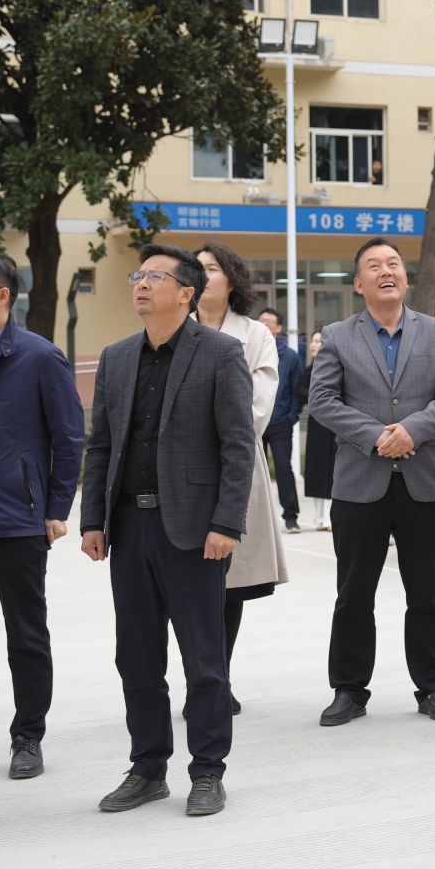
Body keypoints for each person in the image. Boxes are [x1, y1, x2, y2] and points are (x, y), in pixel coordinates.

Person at [79, 243, 253, 815]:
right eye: (139, 275)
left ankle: (208, 771)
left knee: (204, 660)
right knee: (136, 657)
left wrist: (227, 522)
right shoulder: (117, 357)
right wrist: (94, 519)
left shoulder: (221, 353)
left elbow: (237, 445)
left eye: (155, 277)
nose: (141, 284)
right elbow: (101, 445)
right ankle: (148, 768)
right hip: (130, 527)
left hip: (195, 531)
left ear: (186, 293)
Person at [308, 240, 435, 726]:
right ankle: (349, 689)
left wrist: (412, 431)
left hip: (424, 482)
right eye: (374, 266)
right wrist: (378, 436)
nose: (386, 271)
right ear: (359, 284)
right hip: (360, 484)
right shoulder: (338, 335)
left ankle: (434, 686)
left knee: (427, 593)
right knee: (353, 594)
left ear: (405, 277)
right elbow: (323, 400)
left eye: (393, 264)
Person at [0, 250, 82, 781]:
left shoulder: (40, 357)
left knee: (26, 636)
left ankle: (28, 736)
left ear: (2, 295)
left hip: (19, 519)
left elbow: (69, 438)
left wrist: (56, 507)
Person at [193, 243, 287, 717]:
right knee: (185, 582)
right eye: (195, 269)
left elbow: (257, 409)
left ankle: (218, 678)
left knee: (228, 582)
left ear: (232, 279)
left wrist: (194, 429)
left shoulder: (255, 335)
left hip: (234, 469)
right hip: (178, 475)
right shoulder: (172, 329)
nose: (202, 275)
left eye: (211, 268)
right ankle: (198, 677)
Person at [258, 308, 306, 534]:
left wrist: (290, 417)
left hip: (279, 423)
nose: (264, 324)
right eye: (261, 321)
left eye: (269, 322)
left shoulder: (291, 357)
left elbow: (298, 390)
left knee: (284, 468)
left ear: (278, 328)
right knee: (251, 472)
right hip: (253, 422)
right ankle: (252, 518)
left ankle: (290, 516)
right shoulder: (249, 351)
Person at [302, 328, 336, 531]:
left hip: (335, 425)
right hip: (316, 425)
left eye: (318, 341)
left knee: (333, 469)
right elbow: (299, 392)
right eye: (313, 341)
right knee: (316, 469)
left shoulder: (336, 368)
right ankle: (319, 517)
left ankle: (329, 516)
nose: (314, 345)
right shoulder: (307, 371)